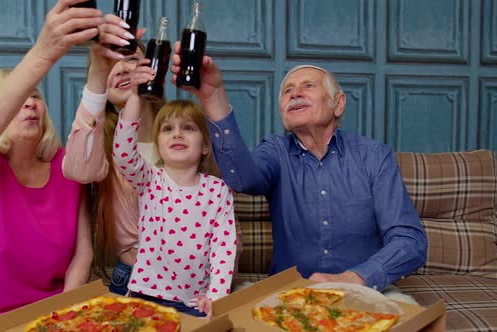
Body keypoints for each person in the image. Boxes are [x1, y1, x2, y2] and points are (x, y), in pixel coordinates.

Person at [169, 43, 428, 296]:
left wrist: (356, 278)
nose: (295, 93)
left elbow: (410, 241)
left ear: (338, 104)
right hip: (291, 293)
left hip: (364, 291)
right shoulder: (276, 151)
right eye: (287, 90)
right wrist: (214, 97)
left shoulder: (374, 156)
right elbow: (242, 178)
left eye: (308, 86)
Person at [0, 0, 100, 320]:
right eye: (18, 99)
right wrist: (44, 52)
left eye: (35, 96)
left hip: (43, 316)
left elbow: (83, 254)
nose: (29, 104)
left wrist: (60, 318)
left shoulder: (67, 166)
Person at [62, 15, 243, 296]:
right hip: (137, 281)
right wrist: (96, 88)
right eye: (111, 63)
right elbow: (78, 171)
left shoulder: (185, 137)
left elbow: (223, 226)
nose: (122, 69)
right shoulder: (105, 144)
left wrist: (216, 286)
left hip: (198, 286)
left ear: (153, 69)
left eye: (132, 60)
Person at [111, 59, 237, 317]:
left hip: (194, 303)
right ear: (158, 144)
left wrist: (216, 297)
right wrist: (135, 96)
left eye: (188, 128)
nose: (177, 134)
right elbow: (123, 154)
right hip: (144, 295)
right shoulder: (149, 179)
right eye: (168, 129)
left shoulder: (217, 190)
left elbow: (224, 248)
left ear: (204, 145)